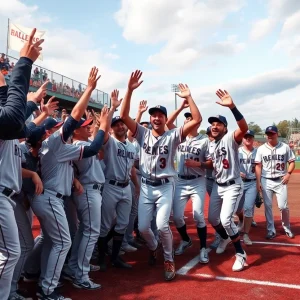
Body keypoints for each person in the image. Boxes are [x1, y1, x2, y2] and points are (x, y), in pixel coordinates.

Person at [30, 67, 109, 300]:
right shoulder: (55, 142)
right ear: (49, 132)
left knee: (52, 242)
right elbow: (76, 119)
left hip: (51, 197)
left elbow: (88, 144)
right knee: (63, 242)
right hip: (50, 197)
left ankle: (40, 279)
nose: (67, 129)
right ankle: (47, 289)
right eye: (57, 127)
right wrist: (90, 90)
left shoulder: (56, 147)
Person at [120, 71, 202, 281]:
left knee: (162, 225)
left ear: (165, 119)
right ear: (150, 118)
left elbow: (198, 119)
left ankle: (168, 258)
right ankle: (154, 246)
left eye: (160, 115)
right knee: (144, 227)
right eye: (154, 115)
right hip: (147, 185)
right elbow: (123, 117)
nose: (156, 118)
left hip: (166, 185)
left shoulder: (173, 135)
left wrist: (189, 97)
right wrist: (129, 90)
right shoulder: (142, 133)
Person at [0, 28, 44, 300]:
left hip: (7, 193)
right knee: (11, 253)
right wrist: (23, 65)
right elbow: (12, 119)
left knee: (11, 253)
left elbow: (16, 121)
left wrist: (6, 78)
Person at [98, 89, 139, 270]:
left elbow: (131, 169)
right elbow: (103, 131)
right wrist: (113, 108)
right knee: (105, 225)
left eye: (122, 124)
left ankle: (115, 257)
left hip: (126, 187)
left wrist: (136, 185)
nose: (120, 127)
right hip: (110, 185)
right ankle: (100, 257)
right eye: (117, 125)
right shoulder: (110, 142)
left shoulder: (131, 147)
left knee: (122, 223)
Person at [207, 89, 248, 272]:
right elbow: (212, 163)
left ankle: (240, 254)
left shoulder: (230, 138)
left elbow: (244, 129)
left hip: (232, 185)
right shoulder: (211, 144)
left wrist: (232, 106)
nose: (215, 126)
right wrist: (199, 164)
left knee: (225, 219)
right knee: (212, 219)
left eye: (218, 124)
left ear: (225, 127)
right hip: (218, 185)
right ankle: (224, 238)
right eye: (212, 124)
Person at [167, 108, 212, 263]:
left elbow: (211, 164)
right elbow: (168, 123)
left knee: (198, 215)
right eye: (186, 118)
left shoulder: (205, 141)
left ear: (197, 123)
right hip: (180, 180)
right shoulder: (179, 136)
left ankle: (203, 249)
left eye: (190, 118)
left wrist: (198, 163)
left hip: (197, 180)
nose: (187, 120)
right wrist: (180, 107)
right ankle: (186, 240)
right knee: (177, 216)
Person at [255, 125, 295, 239]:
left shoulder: (285, 147)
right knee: (267, 206)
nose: (270, 136)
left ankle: (287, 227)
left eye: (272, 133)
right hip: (266, 180)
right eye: (268, 134)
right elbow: (258, 166)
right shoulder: (261, 149)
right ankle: (270, 230)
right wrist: (258, 182)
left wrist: (288, 174)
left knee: (283, 206)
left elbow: (291, 162)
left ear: (277, 134)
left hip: (281, 180)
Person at [235, 130, 257, 245]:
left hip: (252, 183)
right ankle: (241, 220)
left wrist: (259, 185)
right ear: (242, 139)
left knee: (248, 208)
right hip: (240, 183)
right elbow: (231, 167)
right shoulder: (237, 152)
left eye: (250, 137)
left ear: (253, 139)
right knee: (237, 209)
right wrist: (238, 173)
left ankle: (246, 234)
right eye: (245, 137)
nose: (248, 139)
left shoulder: (258, 152)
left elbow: (261, 168)